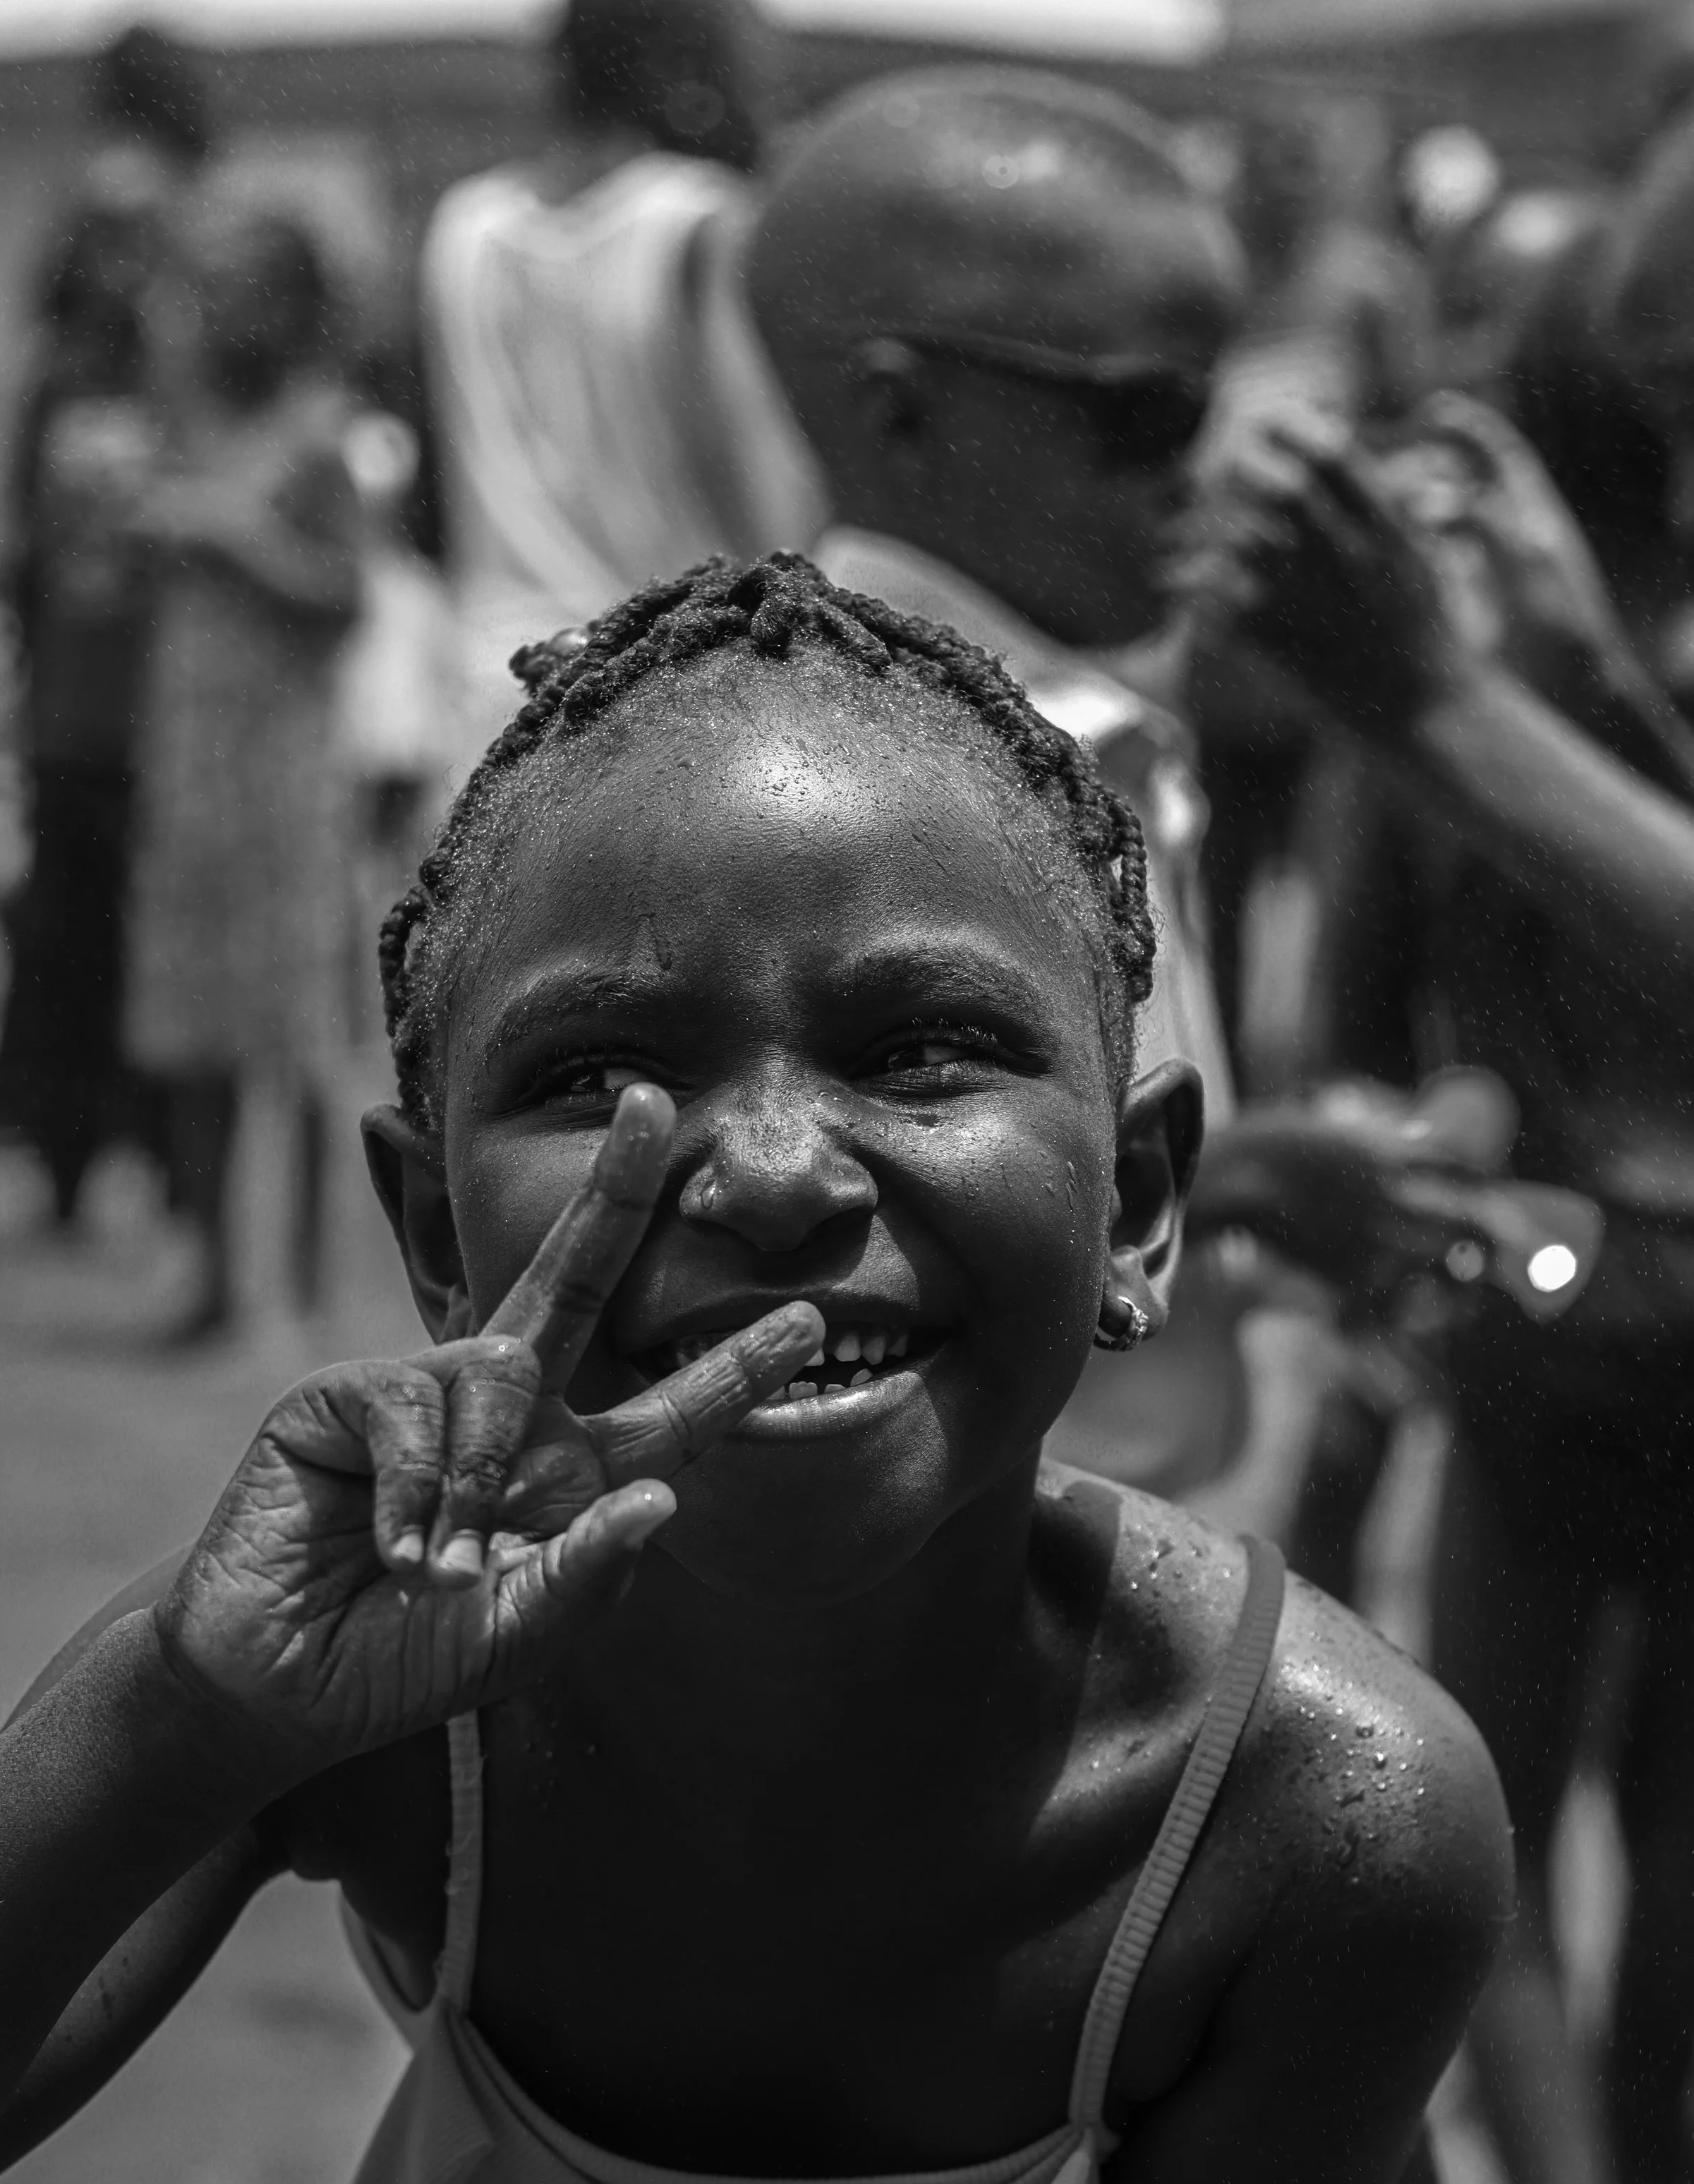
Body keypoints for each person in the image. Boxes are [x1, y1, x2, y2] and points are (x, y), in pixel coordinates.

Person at [0, 553, 1508, 2184]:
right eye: (597, 1075)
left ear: (1135, 1203)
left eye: (925, 1047)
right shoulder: (377, 1675)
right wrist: (170, 1714)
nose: (769, 1174)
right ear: (430, 1228)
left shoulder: (1325, 1816)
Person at [1199, 274, 1694, 2184]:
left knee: (1489, 1806)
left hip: (1549, 1308)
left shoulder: (1415, 733)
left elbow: (1347, 1056)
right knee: (1674, 1799)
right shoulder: (1611, 703)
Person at [743, 70, 1300, 1519]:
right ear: (899, 412)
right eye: (1142, 416)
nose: (1200, 471)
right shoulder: (867, 773)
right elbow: (889, 1213)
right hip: (1003, 1570)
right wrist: (1248, 1183)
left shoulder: (1090, 723)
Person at [423, 0, 824, 750]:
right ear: (686, 61)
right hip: (669, 682)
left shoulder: (464, 225)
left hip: (501, 686)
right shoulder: (696, 222)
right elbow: (758, 492)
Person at [0, 27, 212, 1221]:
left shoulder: (176, 392)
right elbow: (24, 545)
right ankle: (71, 1158)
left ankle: (170, 1167)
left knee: (140, 938)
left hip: (157, 711)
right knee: (76, 934)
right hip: (82, 711)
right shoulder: (61, 391)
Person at [125, 205, 361, 1340]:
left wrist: (234, 542)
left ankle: (301, 1286)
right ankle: (214, 1274)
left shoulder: (316, 437)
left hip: (285, 774)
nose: (205, 314)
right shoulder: (186, 427)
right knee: (196, 1041)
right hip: (192, 768)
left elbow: (346, 598)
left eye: (225, 291)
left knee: (297, 1040)